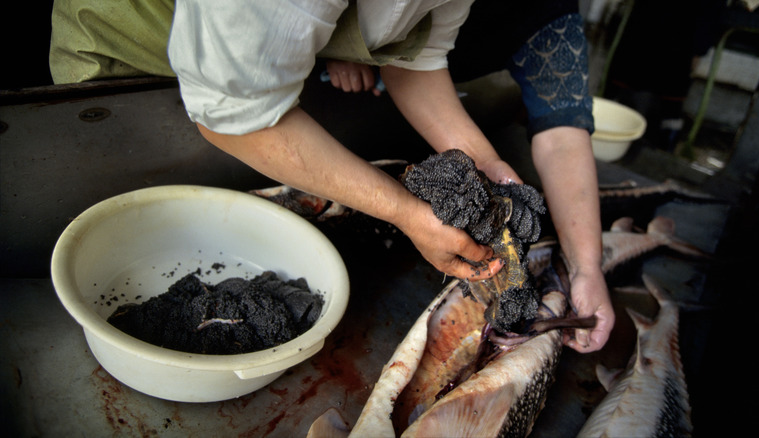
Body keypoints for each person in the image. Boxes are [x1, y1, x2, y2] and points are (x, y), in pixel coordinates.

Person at [51, 0, 613, 353]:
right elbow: (227, 113)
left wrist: (483, 162)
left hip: (246, 86)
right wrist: (406, 214)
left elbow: (414, 60)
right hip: (133, 66)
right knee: (128, 236)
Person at [319, 0, 614, 353]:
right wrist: (344, 41)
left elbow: (562, 135)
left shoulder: (547, 14)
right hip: (338, 102)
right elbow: (249, 110)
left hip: (451, 104)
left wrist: (586, 266)